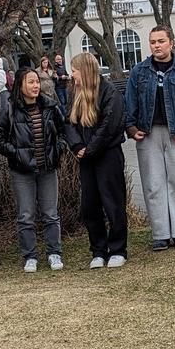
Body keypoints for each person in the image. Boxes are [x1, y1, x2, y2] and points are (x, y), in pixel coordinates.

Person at [125, 26, 175, 250]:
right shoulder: (139, 72)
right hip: (148, 133)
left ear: (171, 43)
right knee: (153, 184)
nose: (156, 45)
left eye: (160, 41)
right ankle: (160, 232)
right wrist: (130, 127)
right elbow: (129, 100)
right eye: (152, 42)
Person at [0, 66, 65, 272]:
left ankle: (54, 253)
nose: (35, 86)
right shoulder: (9, 109)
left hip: (47, 168)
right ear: (20, 85)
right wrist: (16, 153)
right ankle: (30, 256)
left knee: (51, 214)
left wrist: (58, 150)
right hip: (21, 171)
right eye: (31, 82)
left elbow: (63, 131)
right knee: (26, 215)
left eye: (37, 82)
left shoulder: (50, 106)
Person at [66, 52, 128, 269]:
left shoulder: (109, 91)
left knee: (113, 203)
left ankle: (118, 249)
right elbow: (69, 122)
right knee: (90, 205)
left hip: (107, 155)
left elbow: (110, 125)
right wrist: (77, 146)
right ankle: (98, 250)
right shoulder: (73, 93)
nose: (71, 75)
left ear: (84, 71)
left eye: (74, 70)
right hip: (86, 158)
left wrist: (90, 149)